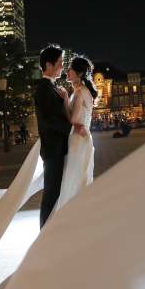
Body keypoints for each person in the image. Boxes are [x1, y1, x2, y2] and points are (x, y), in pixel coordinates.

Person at [33, 45, 86, 228]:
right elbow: (49, 120)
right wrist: (72, 130)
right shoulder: (43, 89)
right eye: (60, 63)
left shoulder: (51, 88)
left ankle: (52, 229)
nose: (63, 67)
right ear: (48, 65)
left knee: (57, 191)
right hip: (52, 149)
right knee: (51, 192)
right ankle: (44, 232)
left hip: (58, 148)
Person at [54, 55, 97, 213]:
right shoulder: (85, 92)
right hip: (85, 138)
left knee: (72, 177)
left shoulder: (79, 93)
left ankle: (70, 212)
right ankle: (81, 211)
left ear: (78, 73)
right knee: (80, 177)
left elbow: (72, 119)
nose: (67, 71)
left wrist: (65, 99)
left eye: (70, 69)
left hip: (77, 139)